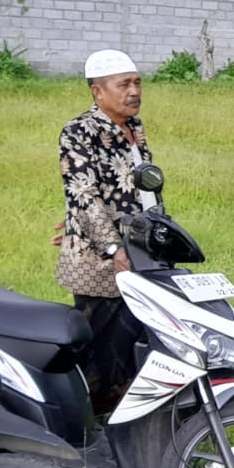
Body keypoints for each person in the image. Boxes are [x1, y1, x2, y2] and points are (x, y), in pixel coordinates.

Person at [56, 49, 156, 414]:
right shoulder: (78, 132)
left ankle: (131, 411)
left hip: (140, 248)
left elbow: (138, 188)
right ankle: (86, 422)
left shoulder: (135, 127)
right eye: (124, 84)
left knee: (137, 333)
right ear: (98, 92)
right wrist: (114, 249)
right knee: (98, 347)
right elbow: (83, 194)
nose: (134, 91)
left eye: (137, 82)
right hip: (100, 261)